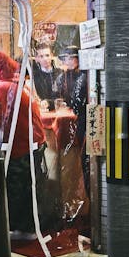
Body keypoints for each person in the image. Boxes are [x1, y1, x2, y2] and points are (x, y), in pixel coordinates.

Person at [0, 51, 46, 241]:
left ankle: (19, 230)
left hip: (20, 145)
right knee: (27, 188)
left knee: (15, 188)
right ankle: (26, 229)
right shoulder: (18, 84)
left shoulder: (2, 88)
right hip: (32, 143)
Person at [54, 45, 89, 193]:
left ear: (76, 58)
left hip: (82, 119)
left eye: (69, 57)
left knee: (82, 154)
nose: (66, 61)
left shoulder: (84, 75)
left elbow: (77, 101)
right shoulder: (63, 76)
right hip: (74, 119)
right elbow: (56, 92)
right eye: (65, 58)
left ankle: (85, 190)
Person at [31, 42, 61, 110]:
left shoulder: (60, 74)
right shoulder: (33, 77)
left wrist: (49, 103)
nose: (45, 59)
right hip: (41, 112)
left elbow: (64, 97)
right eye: (41, 56)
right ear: (36, 59)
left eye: (47, 55)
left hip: (60, 112)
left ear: (52, 56)